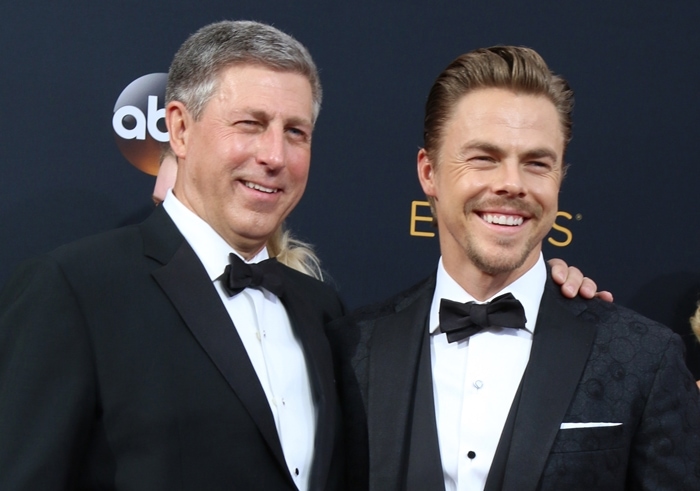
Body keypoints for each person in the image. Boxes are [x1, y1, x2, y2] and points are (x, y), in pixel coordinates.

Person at [0, 21, 604, 490]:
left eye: (295, 132)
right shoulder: (73, 290)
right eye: (250, 123)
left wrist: (545, 293)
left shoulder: (323, 314)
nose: (273, 155)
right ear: (178, 129)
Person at [327, 46, 700, 491]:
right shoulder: (352, 348)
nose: (512, 184)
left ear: (560, 177)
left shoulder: (644, 357)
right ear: (429, 173)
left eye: (537, 163)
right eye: (484, 157)